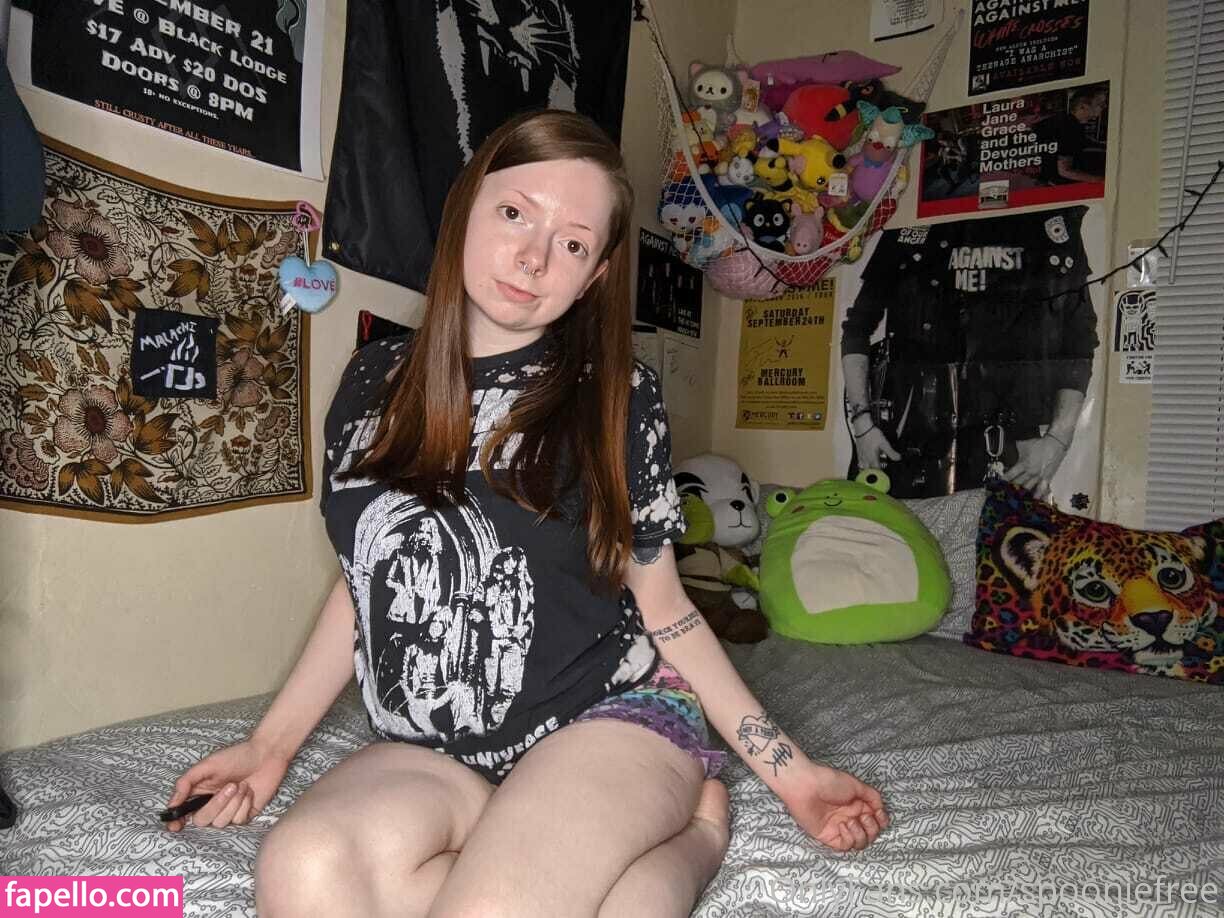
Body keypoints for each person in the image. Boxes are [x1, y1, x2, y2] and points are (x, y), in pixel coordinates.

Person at [161, 109, 889, 918]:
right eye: (514, 212)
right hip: (436, 748)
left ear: (596, 274)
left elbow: (666, 607)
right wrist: (267, 747)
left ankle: (696, 836)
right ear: (465, 207)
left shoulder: (617, 398)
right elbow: (365, 581)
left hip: (606, 721)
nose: (535, 257)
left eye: (573, 244)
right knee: (302, 870)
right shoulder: (371, 380)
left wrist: (793, 773)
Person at [841, 207, 1099, 500]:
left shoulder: (1044, 221)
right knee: (897, 528)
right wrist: (862, 424)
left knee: (1000, 528)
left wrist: (1058, 439)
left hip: (1009, 441)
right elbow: (857, 329)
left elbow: (1079, 339)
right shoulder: (913, 226)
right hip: (909, 439)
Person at [1038, 85, 1108, 185]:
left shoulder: (1070, 121)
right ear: (1083, 107)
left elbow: (1081, 140)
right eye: (1100, 104)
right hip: (1055, 184)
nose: (1104, 106)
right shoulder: (1070, 128)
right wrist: (1102, 180)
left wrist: (1102, 145)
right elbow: (1064, 171)